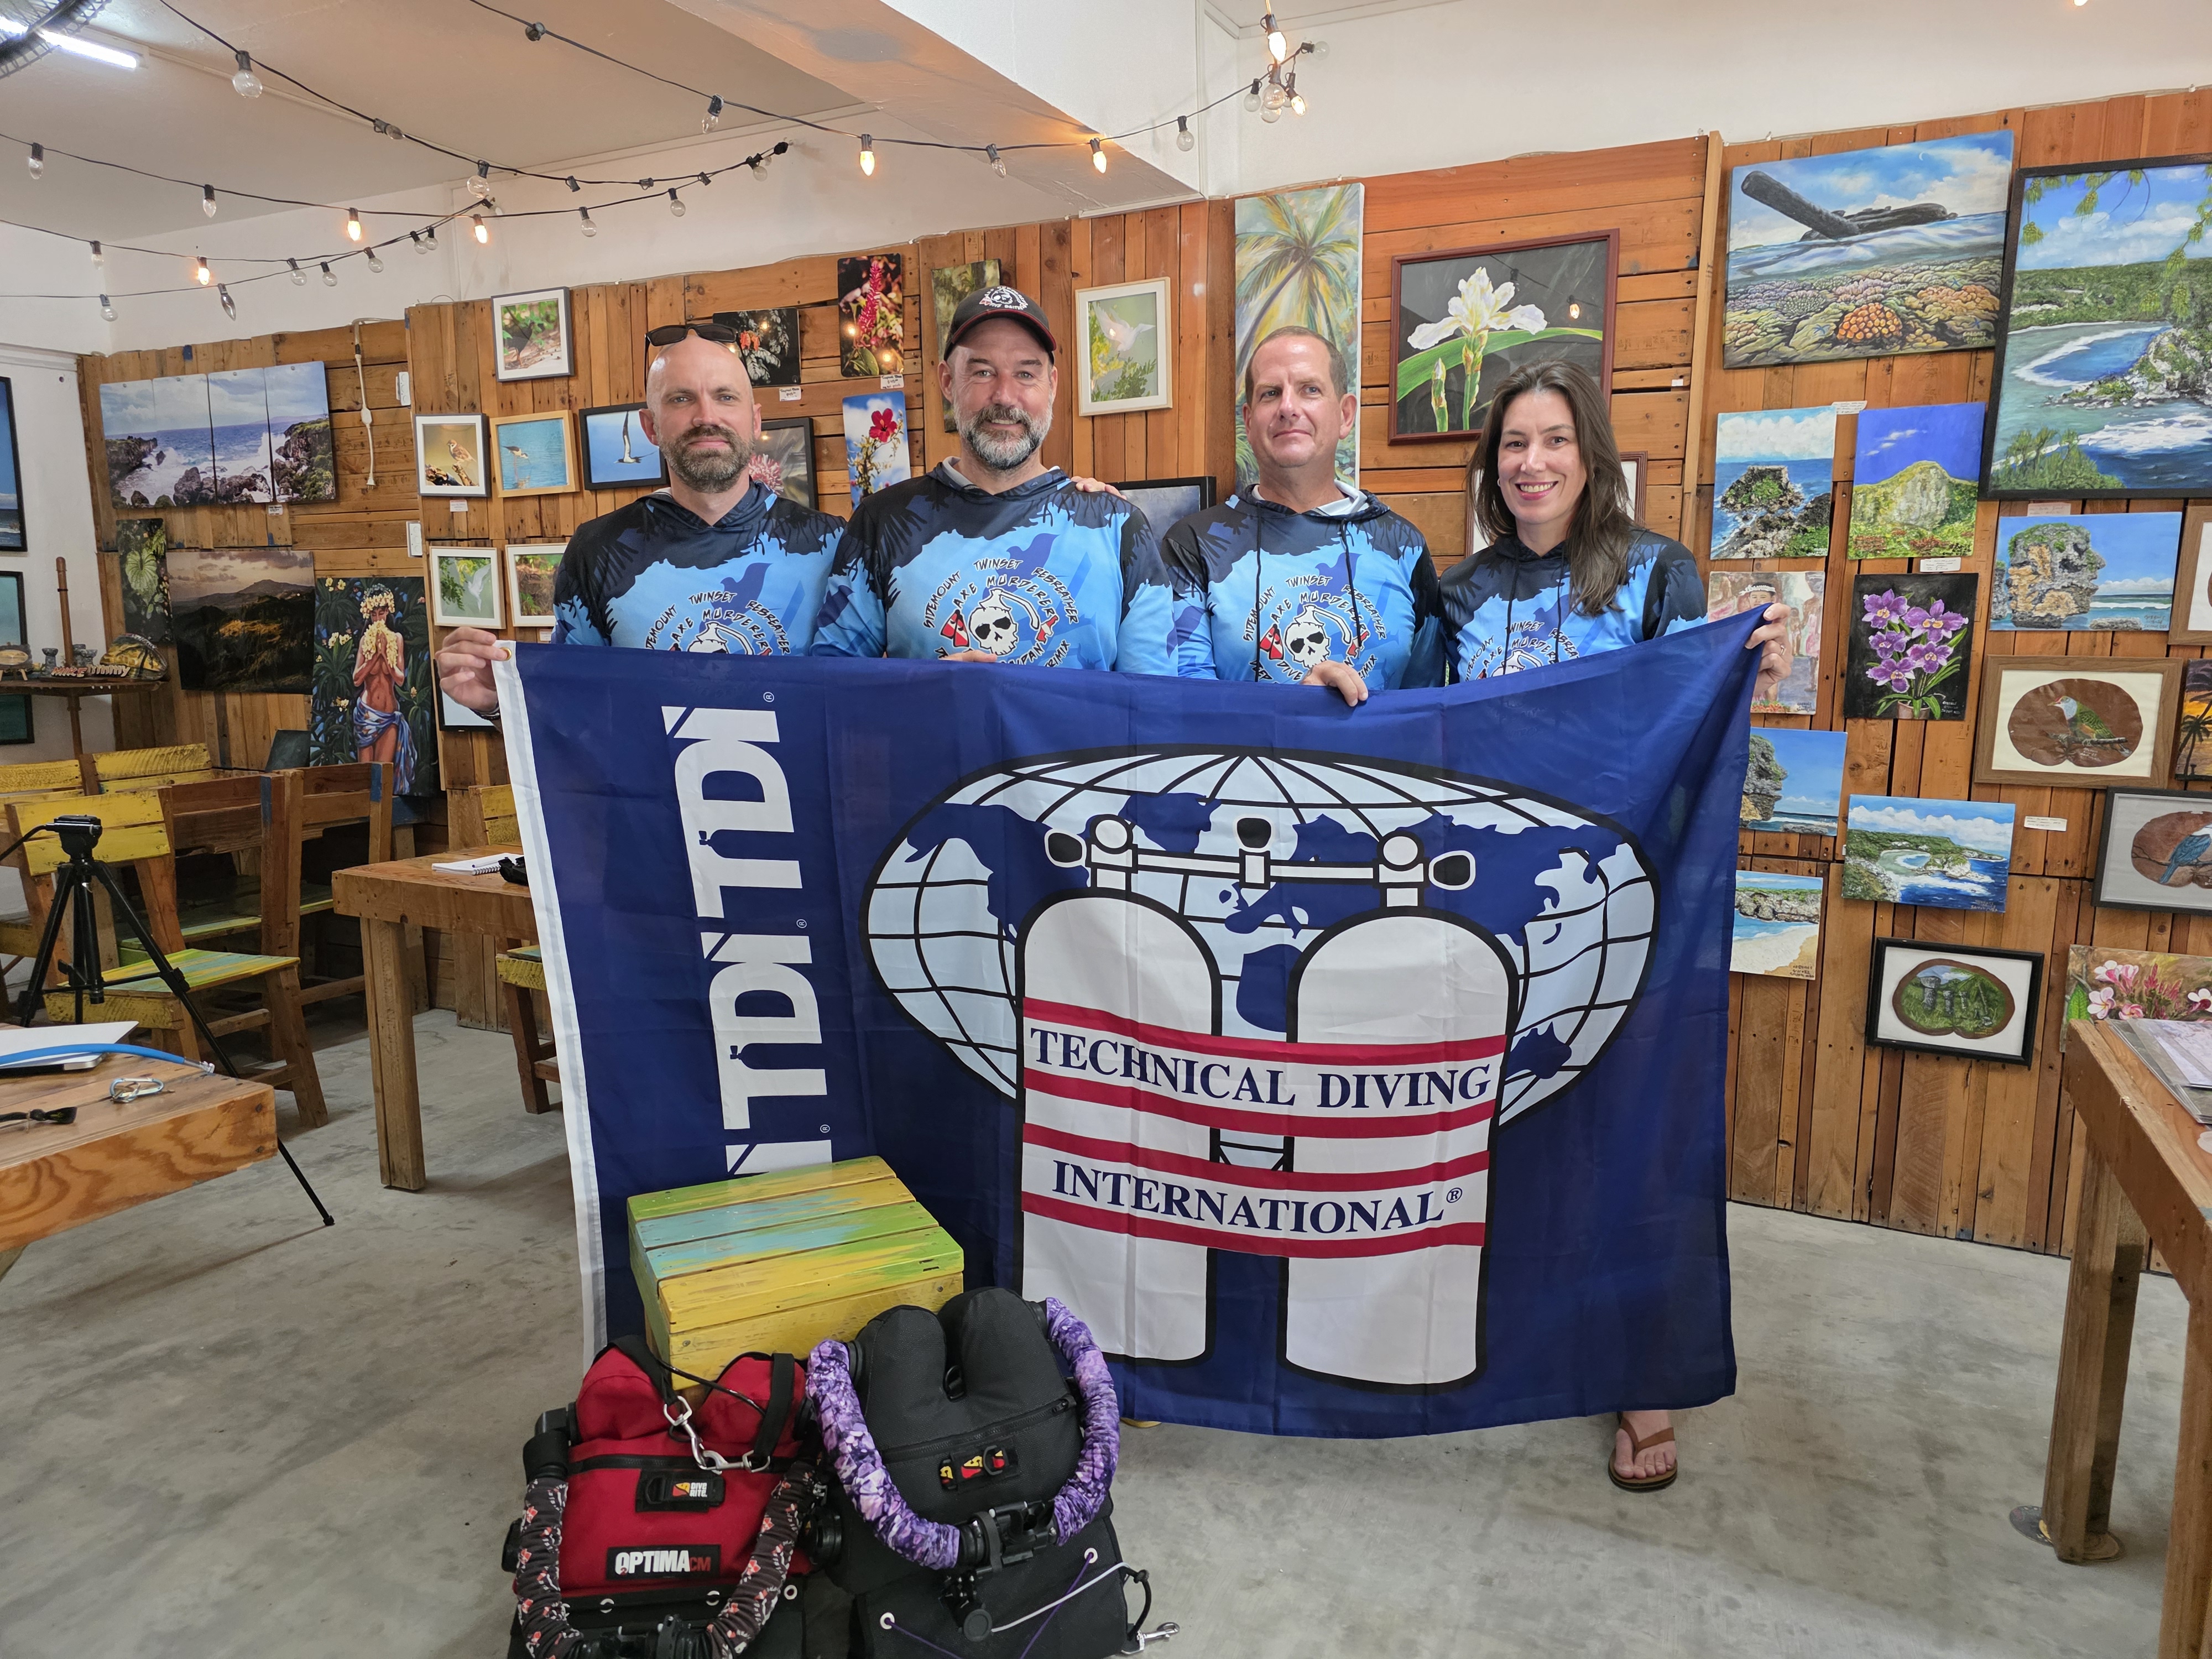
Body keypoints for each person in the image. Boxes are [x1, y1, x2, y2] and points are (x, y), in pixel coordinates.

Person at [1439, 358, 1791, 1495]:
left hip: (1621, 901)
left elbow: (1688, 715)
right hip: (1489, 909)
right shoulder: (1459, 592)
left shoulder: (1653, 574)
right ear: (1491, 464)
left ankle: (1643, 1374)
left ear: (1590, 455)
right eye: (1512, 444)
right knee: (1508, 1125)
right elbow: (1418, 733)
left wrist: (1752, 666)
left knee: (1630, 1137)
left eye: (1553, 440)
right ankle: (1519, 1337)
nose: (1531, 463)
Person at [435, 324, 845, 714]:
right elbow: (575, 707)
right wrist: (497, 701)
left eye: (725, 397)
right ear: (650, 426)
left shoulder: (832, 545)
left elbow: (853, 706)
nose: (706, 416)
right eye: (681, 399)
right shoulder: (598, 550)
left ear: (755, 421)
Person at [810, 284, 1173, 672]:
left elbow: (1156, 695)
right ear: (948, 382)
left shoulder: (1117, 527)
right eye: (983, 372)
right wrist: (922, 692)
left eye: (1026, 374)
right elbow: (832, 684)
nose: (1005, 396)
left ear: (1052, 385)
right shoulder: (881, 523)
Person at [1162, 326, 1444, 705]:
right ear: (1249, 421)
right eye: (1270, 393)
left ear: (1345, 415)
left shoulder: (1403, 546)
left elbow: (1426, 705)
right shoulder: (1193, 545)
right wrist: (1300, 712)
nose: (1288, 407)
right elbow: (1186, 706)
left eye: (1310, 389)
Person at [349, 586, 417, 794]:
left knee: (382, 775)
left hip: (388, 716)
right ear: (369, 615)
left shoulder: (397, 639)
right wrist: (374, 658)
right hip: (366, 715)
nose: (378, 618)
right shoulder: (365, 641)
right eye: (374, 614)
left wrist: (386, 657)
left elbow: (400, 679)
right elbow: (357, 679)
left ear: (387, 612)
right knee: (366, 779)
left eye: (381, 613)